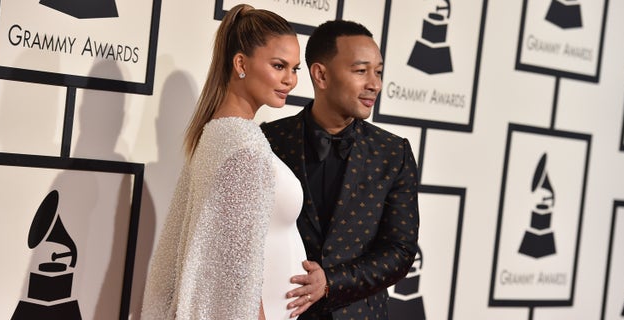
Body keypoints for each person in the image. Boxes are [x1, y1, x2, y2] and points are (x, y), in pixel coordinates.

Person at [141, 4, 314, 319]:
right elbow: (233, 270)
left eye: (295, 68)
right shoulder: (243, 148)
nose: (290, 80)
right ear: (240, 63)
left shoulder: (218, 134)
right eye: (279, 66)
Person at [260, 20, 420, 319]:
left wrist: (332, 282)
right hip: (282, 311)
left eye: (379, 72)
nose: (375, 84)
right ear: (321, 74)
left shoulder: (392, 154)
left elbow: (400, 250)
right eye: (361, 71)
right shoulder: (270, 141)